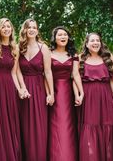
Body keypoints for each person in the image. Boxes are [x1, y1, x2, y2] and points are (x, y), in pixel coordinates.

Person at [0, 18, 25, 161]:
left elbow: (14, 73)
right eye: (3, 27)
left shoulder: (15, 49)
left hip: (10, 89)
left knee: (11, 123)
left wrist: (20, 89)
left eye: (9, 26)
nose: (6, 29)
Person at [17, 18, 54, 161]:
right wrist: (22, 88)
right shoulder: (19, 48)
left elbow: (48, 71)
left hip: (39, 90)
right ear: (24, 30)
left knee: (39, 128)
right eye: (29, 27)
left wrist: (51, 93)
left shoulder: (43, 47)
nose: (31, 29)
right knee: (24, 128)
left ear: (37, 30)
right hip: (23, 91)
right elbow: (17, 71)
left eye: (34, 27)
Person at [48, 26, 84, 161]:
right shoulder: (49, 53)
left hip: (69, 93)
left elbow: (75, 74)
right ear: (54, 38)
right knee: (55, 126)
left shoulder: (73, 55)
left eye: (65, 35)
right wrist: (50, 93)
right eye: (59, 35)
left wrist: (81, 93)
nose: (63, 37)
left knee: (68, 127)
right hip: (54, 92)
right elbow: (46, 74)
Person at [77, 32, 113, 161]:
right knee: (90, 126)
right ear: (86, 44)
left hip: (106, 96)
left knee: (108, 125)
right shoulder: (80, 58)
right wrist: (79, 95)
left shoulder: (108, 57)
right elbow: (75, 80)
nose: (95, 43)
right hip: (89, 98)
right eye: (92, 41)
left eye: (97, 40)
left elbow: (112, 81)